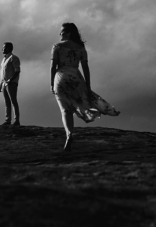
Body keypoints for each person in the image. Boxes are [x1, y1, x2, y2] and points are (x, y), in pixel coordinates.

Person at [50, 23, 119, 151]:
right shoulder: (81, 48)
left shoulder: (57, 47)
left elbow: (53, 67)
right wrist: (87, 85)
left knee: (65, 109)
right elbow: (85, 67)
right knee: (80, 102)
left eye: (62, 32)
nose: (60, 34)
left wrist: (51, 83)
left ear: (69, 33)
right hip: (76, 77)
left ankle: (69, 134)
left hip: (60, 78)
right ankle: (90, 111)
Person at [0, 42, 21, 126]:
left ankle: (16, 120)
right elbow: (3, 73)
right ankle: (8, 120)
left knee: (13, 101)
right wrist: (1, 84)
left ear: (8, 48)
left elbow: (17, 71)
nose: (2, 49)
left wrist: (10, 80)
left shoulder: (14, 58)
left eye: (4, 47)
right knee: (7, 102)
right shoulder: (4, 59)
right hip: (4, 83)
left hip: (11, 83)